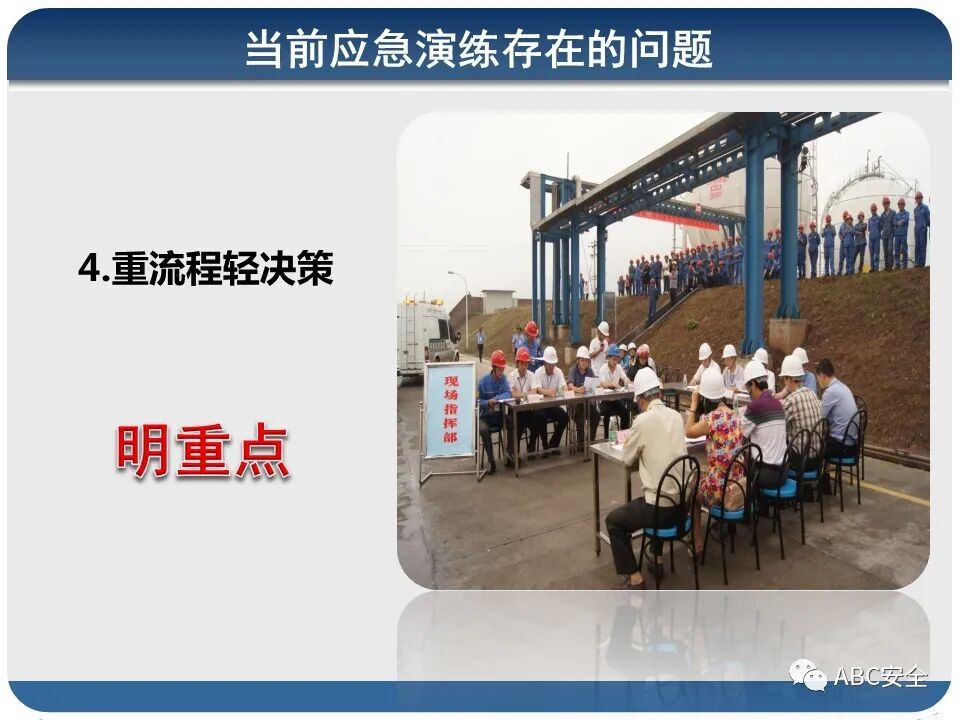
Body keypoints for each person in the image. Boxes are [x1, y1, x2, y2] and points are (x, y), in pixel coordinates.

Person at [605, 367, 687, 589]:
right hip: (682, 507)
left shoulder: (642, 421)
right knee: (660, 489)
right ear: (659, 394)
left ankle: (635, 578)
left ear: (641, 400)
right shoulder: (677, 417)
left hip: (659, 511)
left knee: (614, 521)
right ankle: (657, 560)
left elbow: (627, 458)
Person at [685, 366, 745, 557]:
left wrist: (693, 405)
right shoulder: (735, 415)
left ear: (705, 398)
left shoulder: (712, 418)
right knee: (704, 474)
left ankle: (696, 541)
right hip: (737, 483)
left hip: (720, 489)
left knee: (692, 487)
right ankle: (719, 526)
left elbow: (689, 431)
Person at [740, 360, 787, 491]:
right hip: (783, 472)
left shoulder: (755, 406)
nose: (748, 392)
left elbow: (740, 435)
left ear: (753, 384)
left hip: (766, 475)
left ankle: (750, 500)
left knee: (741, 457)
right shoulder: (777, 403)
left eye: (747, 387)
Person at [779, 355, 822, 473]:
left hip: (800, 461)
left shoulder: (792, 400)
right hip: (817, 459)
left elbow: (778, 427)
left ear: (788, 379)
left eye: (784, 379)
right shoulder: (813, 394)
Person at [504, 347, 545, 467]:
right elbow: (512, 393)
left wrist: (521, 394)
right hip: (515, 411)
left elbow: (534, 390)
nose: (524, 366)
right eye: (522, 363)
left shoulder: (531, 375)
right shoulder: (511, 376)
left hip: (528, 409)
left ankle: (531, 447)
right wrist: (526, 394)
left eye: (526, 363)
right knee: (518, 425)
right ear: (517, 363)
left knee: (538, 420)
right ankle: (514, 453)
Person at [815, 358, 859, 460]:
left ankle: (818, 471)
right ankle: (827, 469)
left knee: (812, 445)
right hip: (853, 444)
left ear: (822, 376)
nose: (818, 382)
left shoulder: (830, 392)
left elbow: (819, 418)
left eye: (817, 378)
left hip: (843, 447)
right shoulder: (842, 386)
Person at [476, 349, 511, 474]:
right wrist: (487, 403)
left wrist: (496, 398)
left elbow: (508, 393)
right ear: (493, 367)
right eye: (500, 368)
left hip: (498, 415)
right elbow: (476, 401)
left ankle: (510, 454)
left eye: (503, 368)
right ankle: (491, 461)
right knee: (484, 430)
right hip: (484, 417)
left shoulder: (504, 380)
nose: (502, 371)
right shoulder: (482, 382)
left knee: (512, 422)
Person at [533, 346, 569, 455]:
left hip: (553, 405)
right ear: (544, 362)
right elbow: (538, 389)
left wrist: (565, 389)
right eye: (550, 364)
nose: (552, 366)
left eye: (553, 364)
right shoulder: (538, 372)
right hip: (541, 406)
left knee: (564, 417)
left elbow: (564, 385)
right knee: (541, 416)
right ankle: (545, 445)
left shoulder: (558, 371)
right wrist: (548, 392)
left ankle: (554, 443)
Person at [567, 346, 600, 451]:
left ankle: (591, 441)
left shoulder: (589, 370)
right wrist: (577, 389)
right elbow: (570, 385)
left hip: (588, 403)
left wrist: (595, 387)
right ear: (578, 360)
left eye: (586, 360)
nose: (584, 362)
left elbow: (595, 383)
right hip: (576, 405)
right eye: (582, 360)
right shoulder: (573, 370)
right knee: (580, 419)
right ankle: (581, 443)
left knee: (596, 416)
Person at [595, 345, 631, 440]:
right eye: (613, 359)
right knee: (607, 416)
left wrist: (629, 383)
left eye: (617, 359)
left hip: (615, 400)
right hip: (605, 401)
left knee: (625, 413)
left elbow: (624, 377)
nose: (615, 362)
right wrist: (612, 384)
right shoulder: (603, 369)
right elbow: (601, 384)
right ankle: (607, 439)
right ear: (608, 358)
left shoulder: (619, 367)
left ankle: (623, 438)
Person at [879, 196, 896, 271]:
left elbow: (895, 223)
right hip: (884, 235)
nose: (885, 205)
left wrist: (894, 232)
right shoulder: (882, 215)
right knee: (885, 250)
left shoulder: (893, 212)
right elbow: (881, 225)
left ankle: (890, 266)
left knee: (890, 250)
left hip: (890, 234)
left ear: (889, 204)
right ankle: (886, 266)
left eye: (886, 203)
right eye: (884, 204)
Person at [914, 191, 930, 268]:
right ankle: (917, 262)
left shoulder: (925, 208)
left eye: (919, 198)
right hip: (917, 230)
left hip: (923, 230)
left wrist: (924, 225)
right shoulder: (915, 210)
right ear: (916, 199)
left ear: (922, 198)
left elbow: (928, 218)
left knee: (922, 246)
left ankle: (922, 263)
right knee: (917, 246)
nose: (918, 199)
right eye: (917, 198)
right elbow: (916, 220)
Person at [893, 198, 910, 269]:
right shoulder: (896, 215)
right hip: (897, 234)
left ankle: (905, 264)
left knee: (904, 249)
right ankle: (897, 264)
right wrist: (900, 222)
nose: (900, 206)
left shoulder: (907, 213)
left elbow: (905, 220)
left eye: (901, 204)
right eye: (899, 204)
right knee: (896, 249)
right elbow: (894, 223)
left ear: (904, 205)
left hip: (903, 234)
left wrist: (898, 222)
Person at [839, 212, 856, 276]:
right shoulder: (842, 226)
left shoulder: (852, 226)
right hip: (843, 244)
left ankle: (850, 271)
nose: (845, 218)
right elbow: (840, 234)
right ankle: (841, 272)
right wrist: (842, 239)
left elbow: (853, 232)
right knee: (843, 259)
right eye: (844, 217)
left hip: (850, 244)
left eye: (846, 216)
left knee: (851, 258)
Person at [867, 203, 881, 273]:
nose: (873, 211)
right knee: (871, 254)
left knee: (876, 253)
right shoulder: (869, 220)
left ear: (876, 210)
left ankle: (876, 267)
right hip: (871, 238)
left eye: (874, 209)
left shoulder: (879, 218)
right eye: (872, 210)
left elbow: (881, 228)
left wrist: (878, 235)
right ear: (871, 210)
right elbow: (869, 229)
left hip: (877, 238)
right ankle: (872, 267)